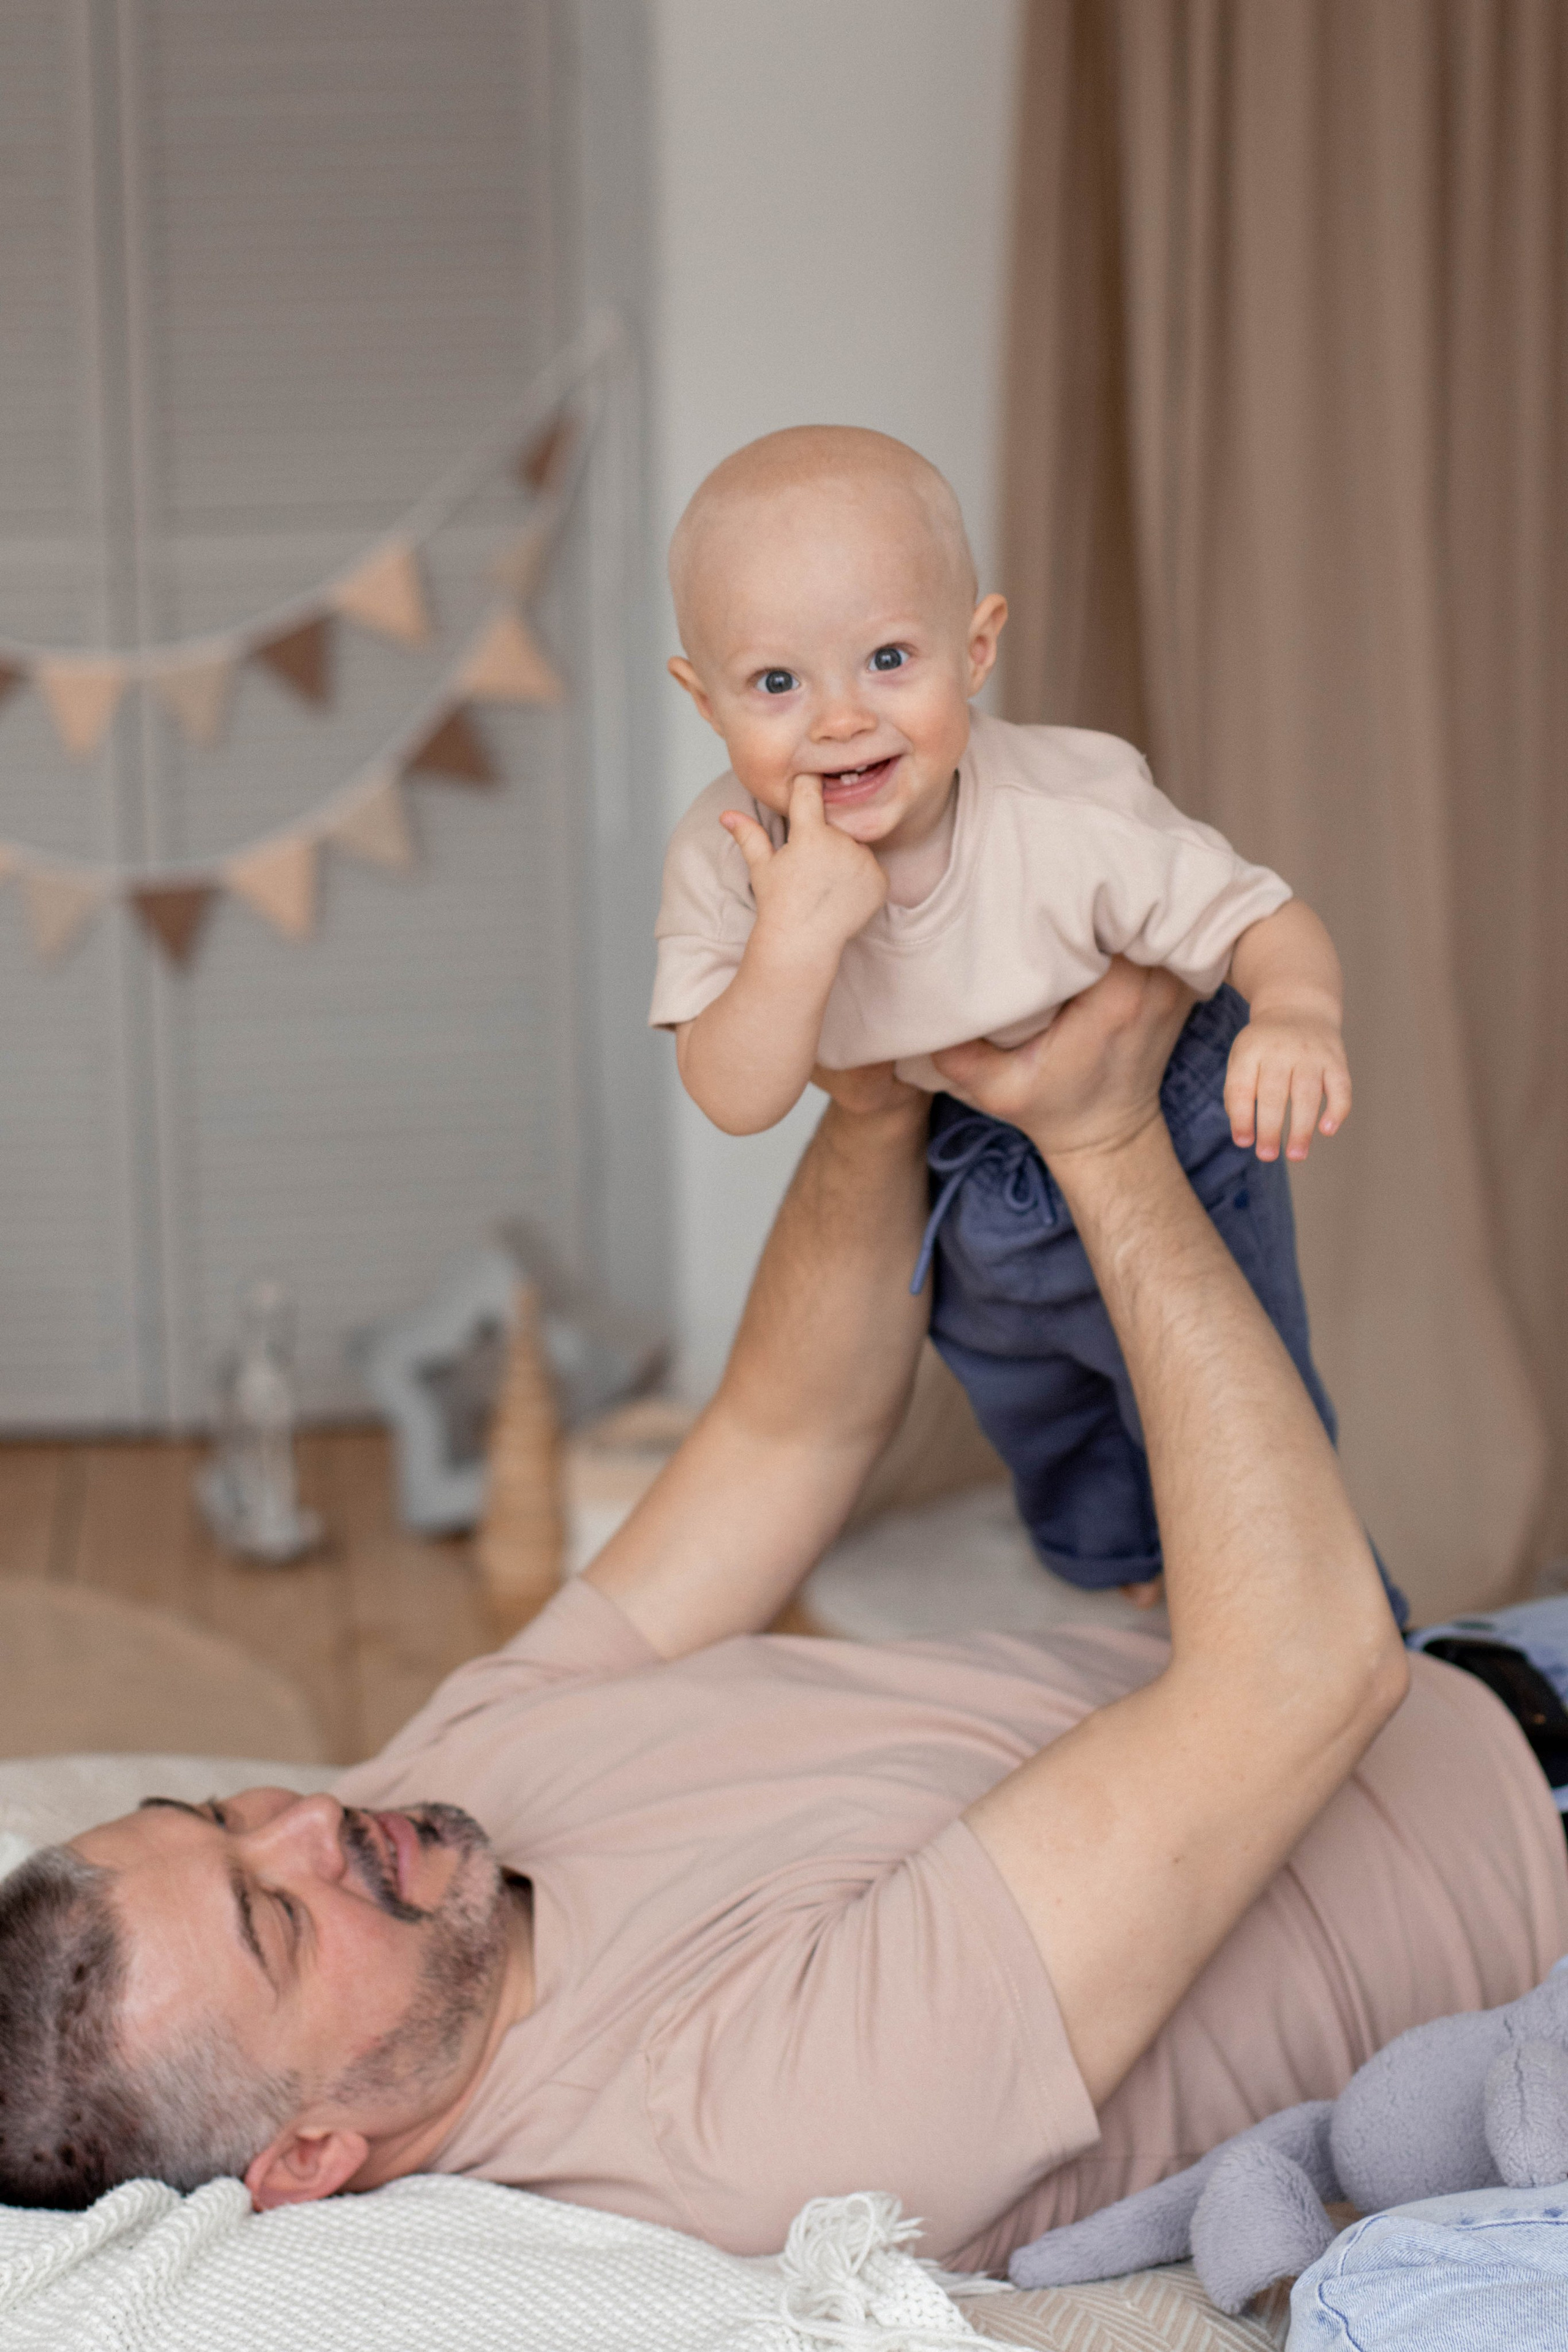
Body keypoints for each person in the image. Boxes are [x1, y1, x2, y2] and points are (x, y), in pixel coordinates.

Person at [5, 968, 1564, 2272]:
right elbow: (1302, 1670)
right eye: (273, 1918)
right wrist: (1100, 1144)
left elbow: (780, 1442)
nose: (310, 1823)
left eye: (223, 1815)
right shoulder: (742, 2131)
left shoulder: (440, 1822)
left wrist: (870, 1093)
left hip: (1490, 1669)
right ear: (309, 2158)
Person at [650, 426, 1387, 1610]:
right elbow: (735, 1094)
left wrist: (1295, 1012)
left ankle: (1302, 1621)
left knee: (1233, 1412)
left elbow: (1264, 916)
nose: (840, 720)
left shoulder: (1067, 809)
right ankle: (1136, 1604)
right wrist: (792, 941)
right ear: (703, 697)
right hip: (960, 1158)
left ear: (977, 649)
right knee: (1043, 1422)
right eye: (777, 684)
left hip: (1170, 1119)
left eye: (889, 659)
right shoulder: (727, 855)